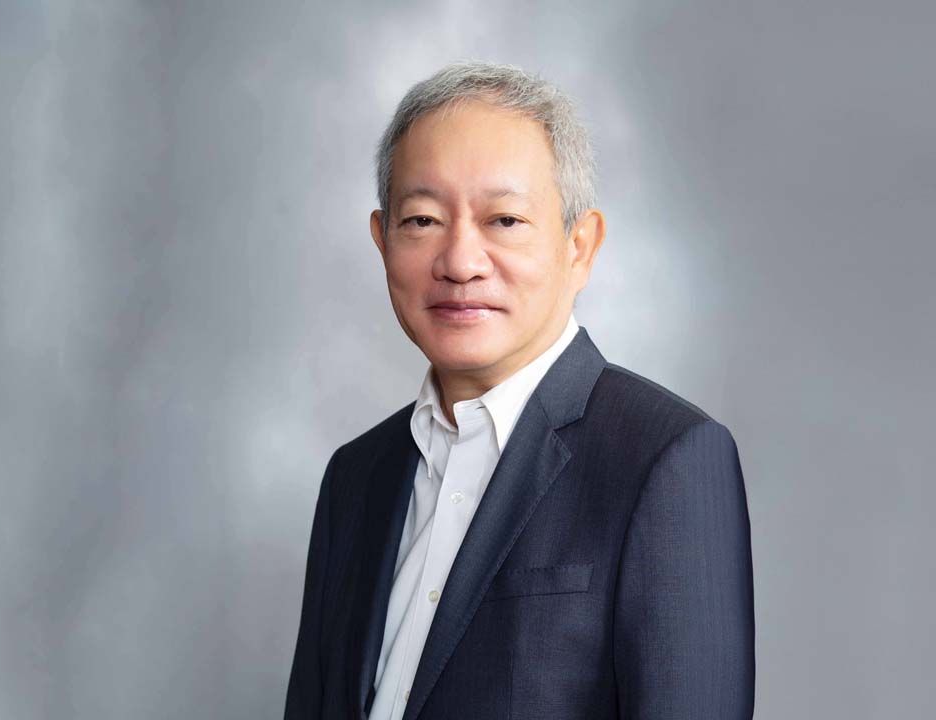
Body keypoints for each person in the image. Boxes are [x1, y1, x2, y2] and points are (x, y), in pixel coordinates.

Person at [284, 60, 755, 720]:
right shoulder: (356, 478)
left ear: (579, 246)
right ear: (382, 240)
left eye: (504, 220)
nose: (459, 262)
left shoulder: (665, 461)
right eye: (422, 220)